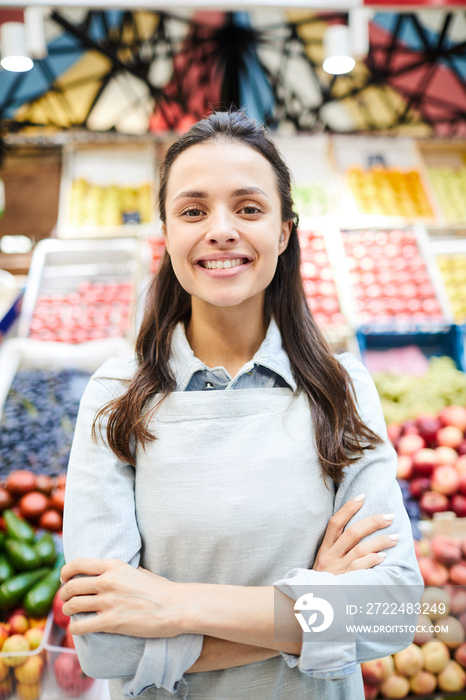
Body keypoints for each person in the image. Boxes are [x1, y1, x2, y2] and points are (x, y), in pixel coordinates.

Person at [60, 110, 423, 700]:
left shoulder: (341, 388)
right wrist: (313, 600)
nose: (220, 230)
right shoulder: (117, 395)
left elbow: (389, 615)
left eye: (249, 208)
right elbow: (107, 646)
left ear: (283, 232)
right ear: (167, 233)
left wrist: (172, 604)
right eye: (193, 210)